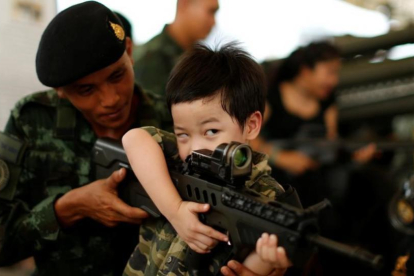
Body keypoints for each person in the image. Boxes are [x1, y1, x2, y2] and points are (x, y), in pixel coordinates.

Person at [0, 2, 172, 275]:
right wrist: (65, 209)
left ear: (129, 51)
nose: (111, 99)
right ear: (60, 90)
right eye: (86, 89)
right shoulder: (31, 121)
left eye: (117, 75)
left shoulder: (172, 123)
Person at [122, 43, 299, 276]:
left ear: (251, 125)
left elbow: (251, 262)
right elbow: (134, 138)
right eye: (183, 134)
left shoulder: (267, 197)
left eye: (211, 132)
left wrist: (266, 263)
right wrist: (175, 211)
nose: (195, 148)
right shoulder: (177, 159)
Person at [134, 0, 219, 96]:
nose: (214, 23)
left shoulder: (195, 56)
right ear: (184, 4)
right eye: (211, 12)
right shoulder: (152, 57)